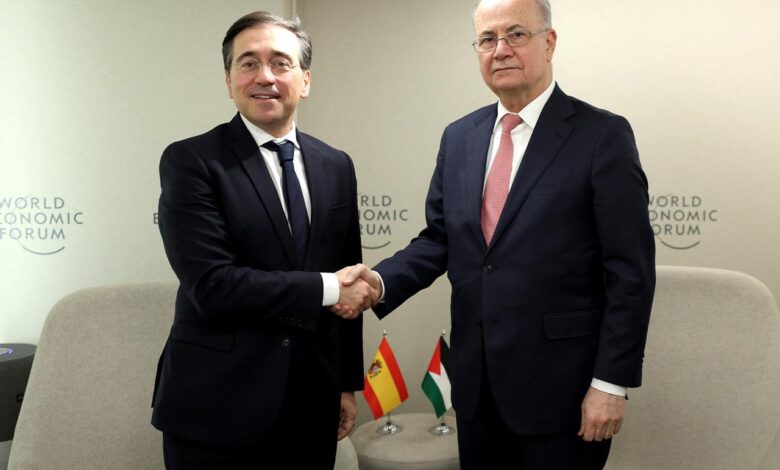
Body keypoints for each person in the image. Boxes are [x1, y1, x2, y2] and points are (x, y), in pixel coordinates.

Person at [337, 0, 655, 468]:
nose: (500, 49)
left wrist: (610, 383)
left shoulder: (601, 135)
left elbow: (630, 272)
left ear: (549, 42)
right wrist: (379, 282)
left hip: (563, 392)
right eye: (487, 39)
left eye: (516, 34)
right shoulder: (459, 137)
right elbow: (440, 239)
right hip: (476, 389)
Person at [151, 11, 377, 469]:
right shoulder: (191, 162)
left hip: (312, 403)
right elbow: (214, 286)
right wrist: (329, 287)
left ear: (305, 80)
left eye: (280, 62)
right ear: (229, 80)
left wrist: (345, 382)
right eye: (248, 63)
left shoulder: (336, 165)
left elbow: (349, 272)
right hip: (216, 408)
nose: (265, 76)